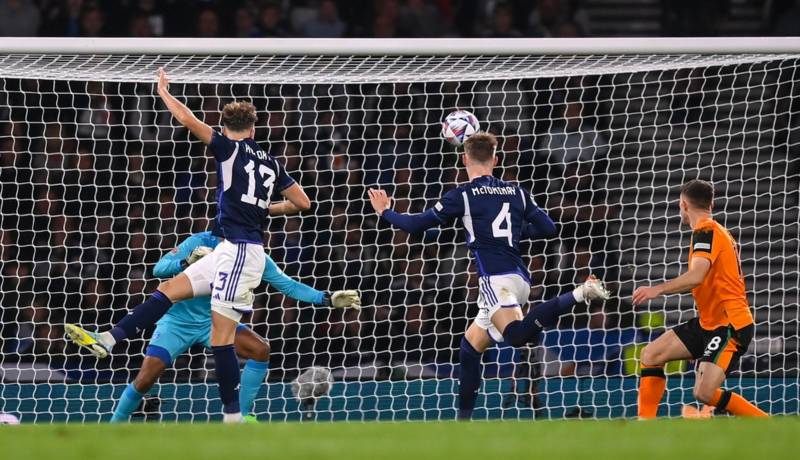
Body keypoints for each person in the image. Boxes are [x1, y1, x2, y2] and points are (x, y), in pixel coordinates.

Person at [66, 68, 311, 423]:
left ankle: (232, 418)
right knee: (168, 288)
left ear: (225, 129)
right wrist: (267, 207)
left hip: (243, 250)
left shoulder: (228, 149)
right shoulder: (271, 162)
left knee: (224, 339)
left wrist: (163, 92)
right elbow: (303, 203)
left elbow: (187, 118)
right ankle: (110, 337)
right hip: (233, 251)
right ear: (254, 129)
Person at [367, 132, 610, 420]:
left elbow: (418, 225)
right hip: (519, 277)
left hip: (496, 280)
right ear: (495, 160)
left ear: (463, 158)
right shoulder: (517, 191)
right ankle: (463, 422)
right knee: (470, 347)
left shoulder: (464, 194)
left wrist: (386, 212)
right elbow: (549, 229)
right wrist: (517, 235)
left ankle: (580, 292)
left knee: (517, 337)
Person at [109, 230, 360, 423]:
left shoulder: (253, 254)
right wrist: (186, 261)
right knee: (146, 377)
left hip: (215, 321)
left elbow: (289, 285)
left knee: (260, 349)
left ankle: (240, 416)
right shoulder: (200, 240)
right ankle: (114, 425)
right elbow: (159, 269)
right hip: (178, 322)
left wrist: (326, 298)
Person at [632, 179, 767, 418]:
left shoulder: (705, 231)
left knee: (704, 394)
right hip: (709, 322)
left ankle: (766, 422)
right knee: (651, 355)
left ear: (683, 204)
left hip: (729, 325)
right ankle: (645, 423)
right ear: (711, 203)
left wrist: (657, 289)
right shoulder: (714, 231)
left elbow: (696, 276)